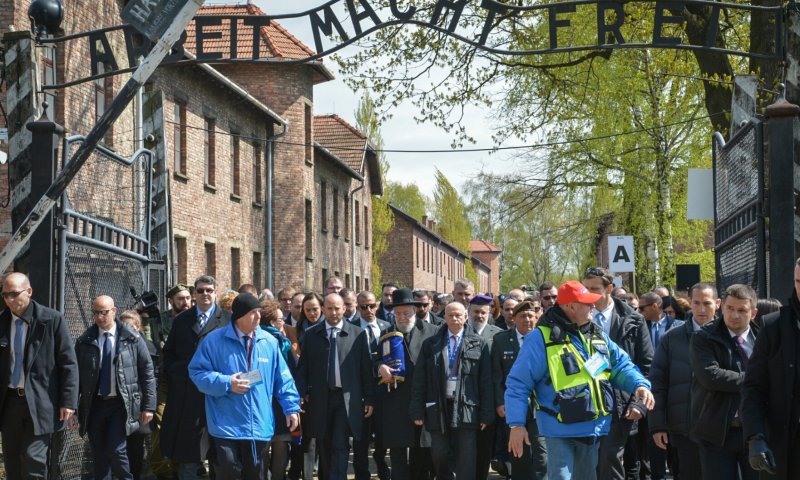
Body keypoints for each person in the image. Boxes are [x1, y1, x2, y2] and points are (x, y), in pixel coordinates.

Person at [505, 280, 654, 480]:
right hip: (558, 427)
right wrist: (516, 425)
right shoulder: (540, 338)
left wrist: (639, 384)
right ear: (570, 307)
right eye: (587, 303)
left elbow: (620, 365)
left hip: (593, 426)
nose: (593, 305)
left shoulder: (596, 333)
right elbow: (518, 384)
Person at [188, 293, 300, 479]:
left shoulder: (269, 342)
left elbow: (283, 378)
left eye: (259, 312)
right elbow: (197, 373)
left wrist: (291, 407)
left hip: (259, 423)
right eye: (253, 313)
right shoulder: (213, 341)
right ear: (239, 315)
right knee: (229, 471)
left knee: (256, 474)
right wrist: (227, 383)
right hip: (225, 423)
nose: (258, 316)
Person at [0, 272, 78, 480]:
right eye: (5, 295)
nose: (9, 299)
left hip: (40, 402)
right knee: (12, 461)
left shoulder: (51, 320)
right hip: (9, 403)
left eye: (14, 294)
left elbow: (68, 364)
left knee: (34, 460)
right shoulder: (2, 322)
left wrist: (68, 402)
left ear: (29, 292)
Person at [73, 295, 156, 480]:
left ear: (114, 311)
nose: (99, 317)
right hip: (95, 404)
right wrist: (72, 408)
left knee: (116, 449)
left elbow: (147, 372)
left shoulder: (131, 338)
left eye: (104, 312)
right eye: (95, 313)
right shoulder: (86, 340)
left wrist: (148, 406)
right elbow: (76, 376)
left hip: (121, 404)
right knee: (99, 454)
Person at [582, 267, 653, 480]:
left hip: (619, 407)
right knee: (585, 464)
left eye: (594, 289)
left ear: (609, 289)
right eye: (585, 288)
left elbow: (645, 365)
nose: (589, 294)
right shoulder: (576, 316)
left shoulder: (633, 320)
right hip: (583, 405)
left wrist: (637, 403)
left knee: (608, 461)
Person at [410, 301, 494, 480]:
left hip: (467, 408)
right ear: (444, 317)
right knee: (439, 454)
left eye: (458, 315)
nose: (454, 318)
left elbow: (486, 382)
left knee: (466, 458)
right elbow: (419, 381)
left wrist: (487, 414)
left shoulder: (479, 344)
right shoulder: (431, 344)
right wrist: (417, 409)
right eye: (450, 315)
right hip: (438, 406)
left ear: (465, 317)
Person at [296, 293, 375, 480]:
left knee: (340, 445)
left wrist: (370, 398)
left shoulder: (357, 334)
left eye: (337, 308)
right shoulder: (311, 335)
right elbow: (303, 368)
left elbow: (366, 370)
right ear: (323, 309)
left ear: (345, 309)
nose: (333, 312)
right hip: (320, 399)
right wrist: (301, 393)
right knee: (324, 444)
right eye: (329, 308)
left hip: (345, 399)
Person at [161, 275, 229, 479]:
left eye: (209, 290)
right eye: (200, 291)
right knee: (189, 449)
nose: (205, 294)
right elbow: (169, 353)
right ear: (194, 294)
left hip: (218, 394)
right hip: (187, 393)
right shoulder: (182, 320)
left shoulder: (227, 319)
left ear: (215, 292)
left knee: (220, 451)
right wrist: (178, 373)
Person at [650, 283, 720, 480]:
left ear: (718, 303)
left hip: (722, 426)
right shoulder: (671, 338)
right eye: (696, 303)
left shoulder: (728, 335)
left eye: (707, 303)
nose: (701, 309)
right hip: (684, 427)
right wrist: (657, 425)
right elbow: (658, 382)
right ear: (690, 303)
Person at [690, 283, 759, 480]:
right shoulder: (704, 337)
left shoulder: (763, 337)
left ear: (753, 313)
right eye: (729, 308)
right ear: (722, 307)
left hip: (754, 431)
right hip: (717, 431)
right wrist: (755, 380)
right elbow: (711, 376)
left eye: (741, 310)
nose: (734, 315)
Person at [741, 260, 800, 479]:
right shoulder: (774, 326)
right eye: (798, 281)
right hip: (785, 446)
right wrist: (755, 437)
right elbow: (754, 387)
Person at [377, 289, 438, 480]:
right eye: (398, 314)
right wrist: (380, 367)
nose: (402, 318)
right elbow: (375, 360)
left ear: (415, 311)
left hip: (422, 401)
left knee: (423, 455)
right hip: (396, 402)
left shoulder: (432, 332)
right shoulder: (386, 333)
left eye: (406, 313)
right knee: (398, 456)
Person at [492, 300, 547, 479]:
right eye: (523, 316)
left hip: (541, 407)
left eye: (531, 316)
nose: (528, 320)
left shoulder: (544, 340)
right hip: (514, 406)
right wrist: (500, 402)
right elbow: (497, 375)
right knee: (518, 454)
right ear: (514, 318)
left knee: (542, 455)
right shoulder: (500, 340)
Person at [637, 291, 684, 480]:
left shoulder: (678, 327)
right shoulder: (639, 327)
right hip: (648, 389)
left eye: (642, 308)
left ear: (655, 306)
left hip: (674, 391)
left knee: (676, 447)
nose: (639, 312)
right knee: (654, 442)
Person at [350, 290, 390, 480]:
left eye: (372, 305)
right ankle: (361, 474)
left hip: (383, 389)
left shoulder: (388, 327)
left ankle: (381, 463)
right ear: (357, 308)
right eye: (364, 307)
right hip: (360, 391)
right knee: (360, 438)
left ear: (377, 305)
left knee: (383, 434)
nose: (369, 310)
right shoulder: (350, 328)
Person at [260, 301, 299, 480]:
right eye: (279, 320)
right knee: (280, 446)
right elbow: (295, 368)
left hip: (263, 400)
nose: (283, 323)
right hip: (280, 400)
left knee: (263, 449)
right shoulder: (280, 342)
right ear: (271, 322)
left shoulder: (253, 339)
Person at [119, 310, 158, 480]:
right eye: (122, 326)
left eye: (130, 326)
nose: (126, 329)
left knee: (135, 446)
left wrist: (147, 406)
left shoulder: (148, 348)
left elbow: (151, 378)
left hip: (139, 404)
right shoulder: (115, 344)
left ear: (138, 327)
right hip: (120, 406)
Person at [467, 294, 503, 480]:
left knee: (484, 448)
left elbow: (499, 372)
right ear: (468, 312)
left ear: (489, 313)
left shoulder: (497, 335)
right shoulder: (460, 332)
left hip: (488, 400)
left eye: (483, 312)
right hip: (465, 399)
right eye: (475, 312)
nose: (479, 316)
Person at [150, 284, 192, 351]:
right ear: (171, 301)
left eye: (188, 298)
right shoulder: (159, 319)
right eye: (180, 298)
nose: (185, 302)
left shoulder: (197, 318)